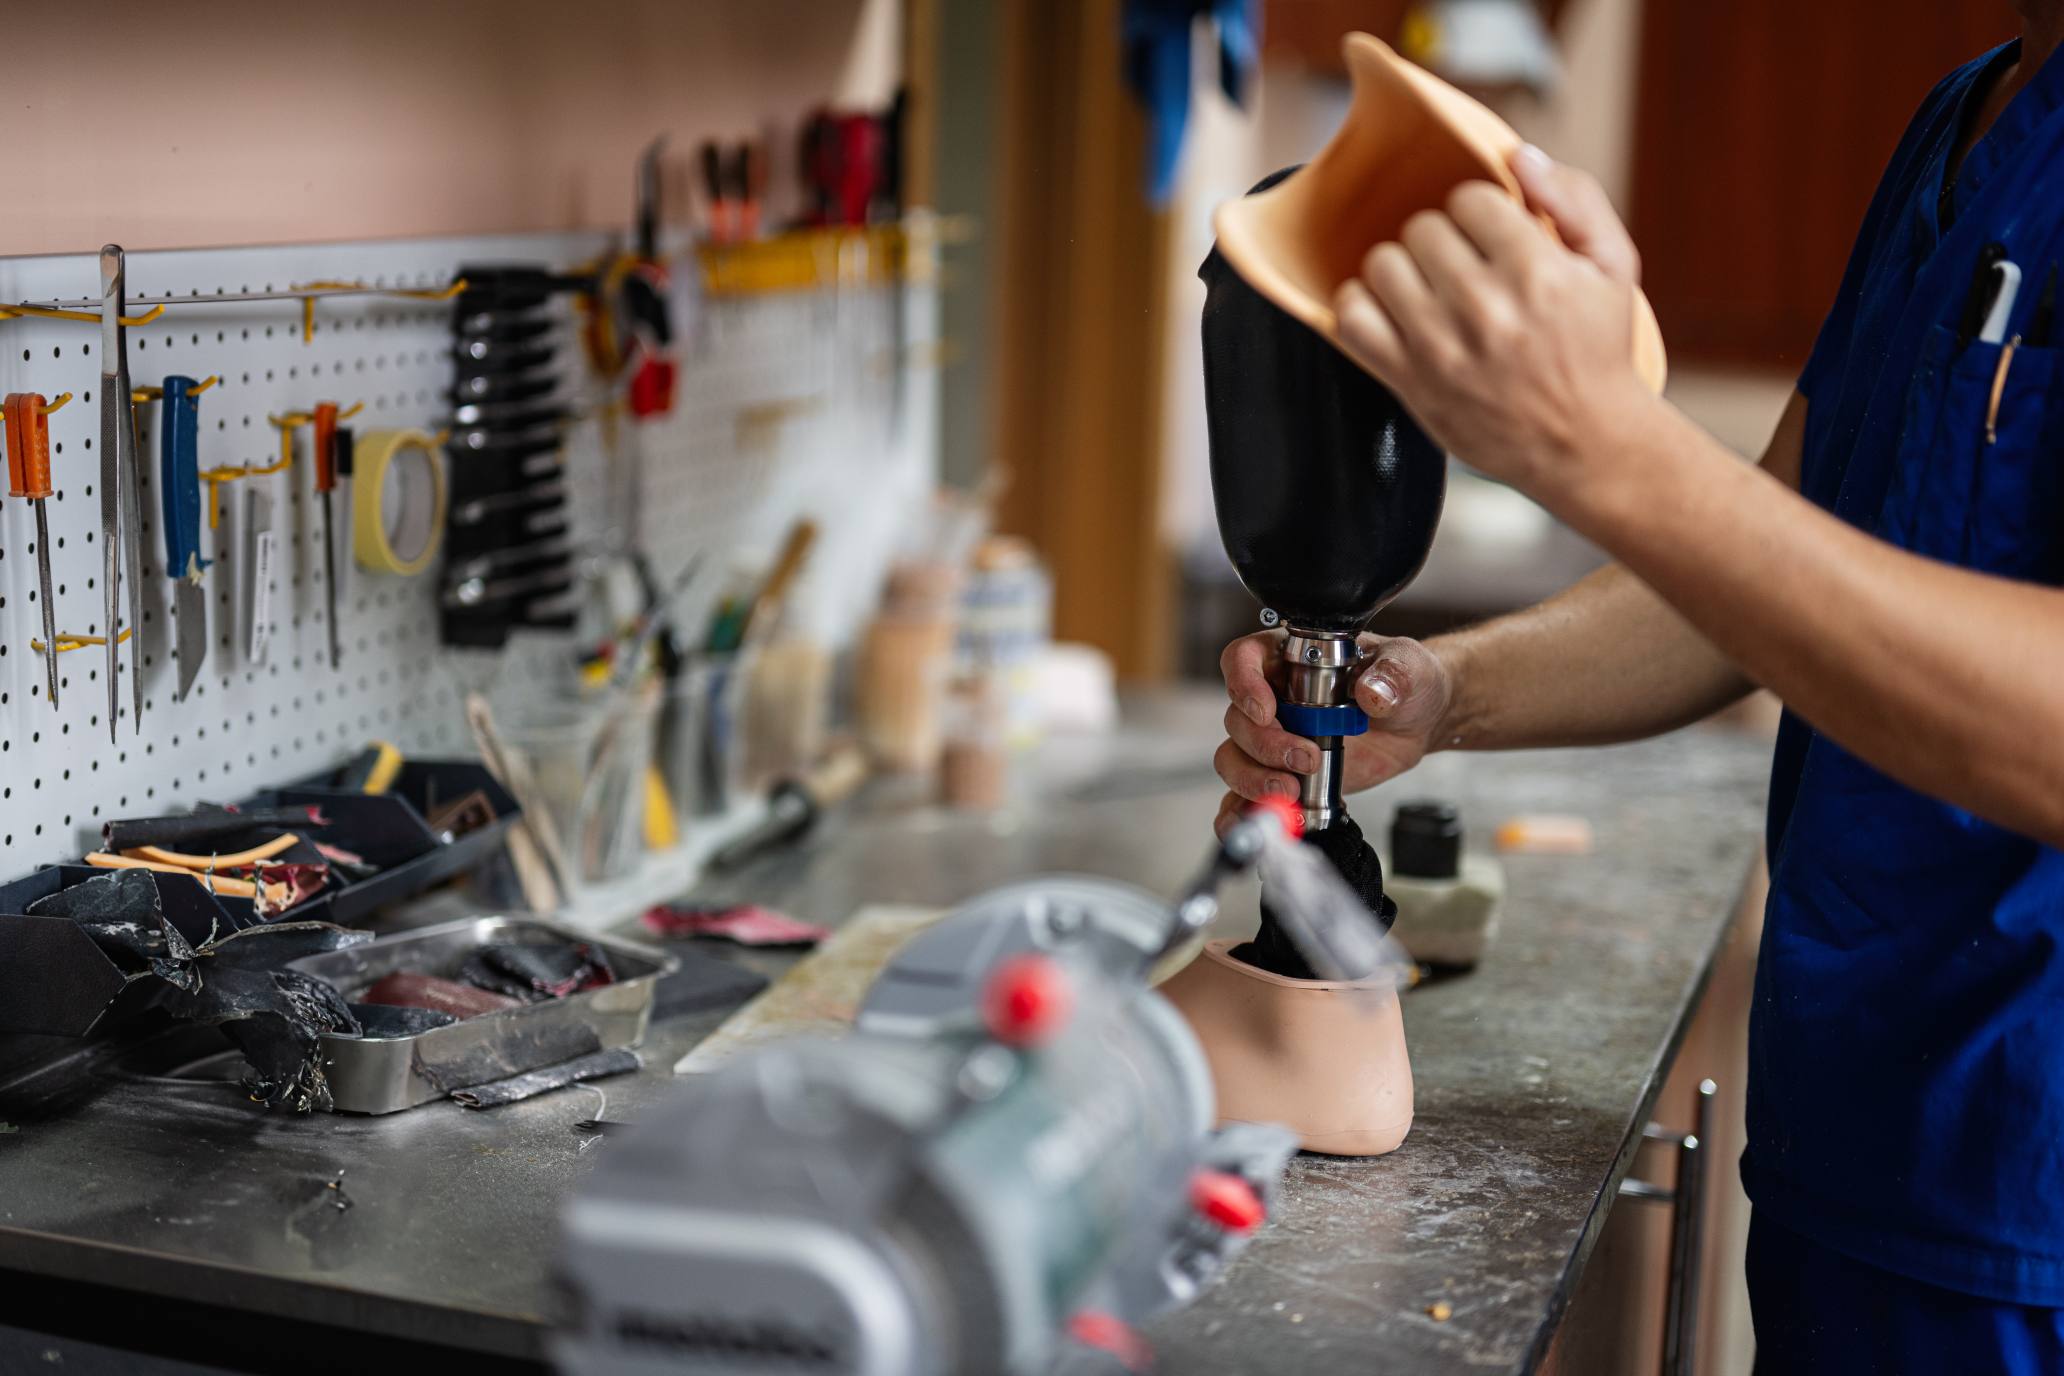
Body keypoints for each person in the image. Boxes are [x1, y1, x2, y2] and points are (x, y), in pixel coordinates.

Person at [1211, 8, 2064, 1372]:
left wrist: (1603, 445)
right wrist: (1445, 692)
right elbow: (1760, 561)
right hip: (1853, 1137)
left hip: (2031, 1195)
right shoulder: (1966, 120)